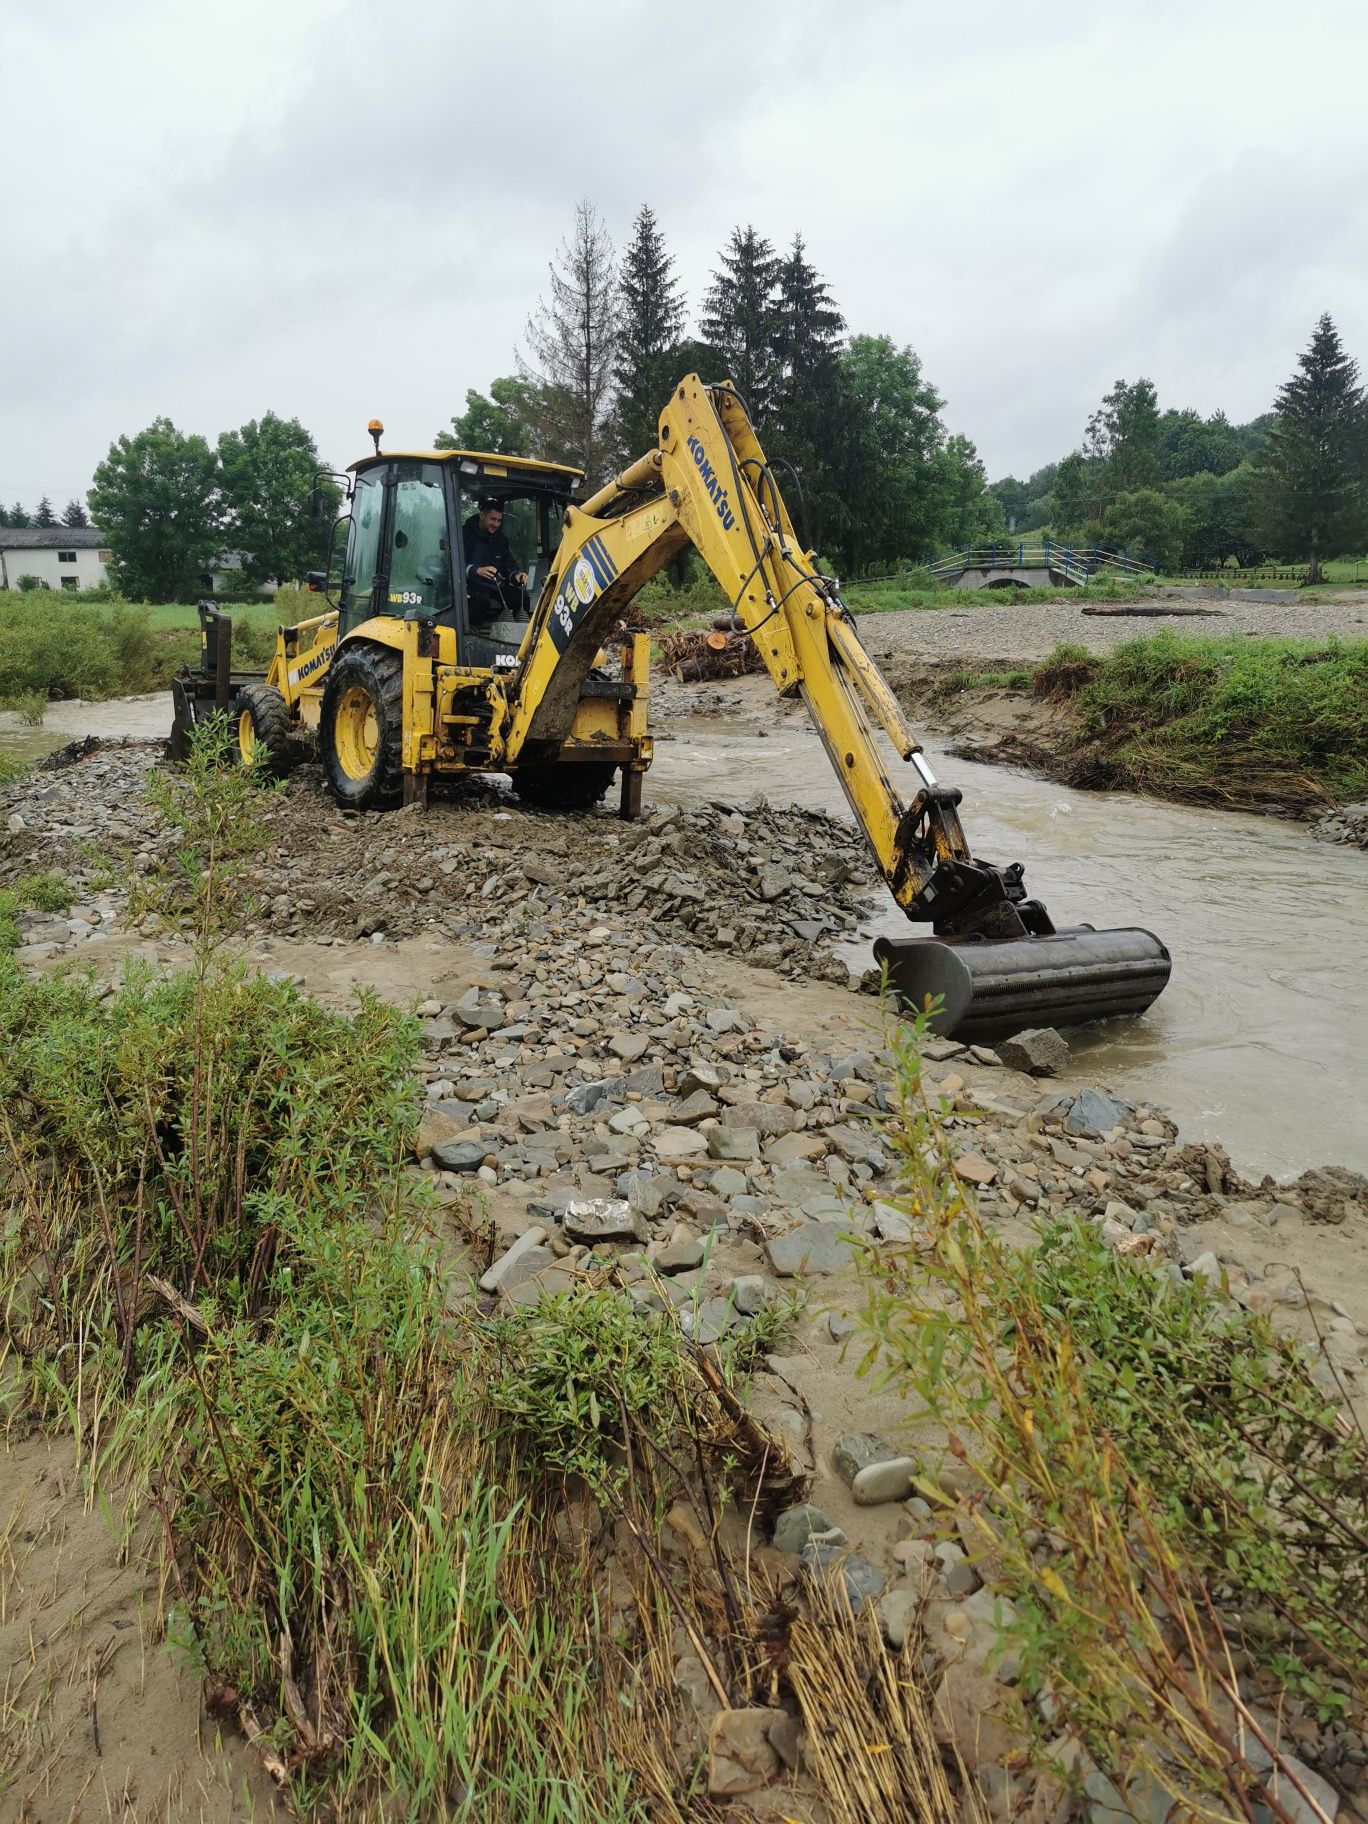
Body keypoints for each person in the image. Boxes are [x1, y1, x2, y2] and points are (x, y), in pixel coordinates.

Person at [462, 497, 528, 622]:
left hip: (493, 586)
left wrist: (516, 575)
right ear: (482, 515)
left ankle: (519, 635)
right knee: (481, 600)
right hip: (469, 586)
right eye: (492, 519)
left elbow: (508, 565)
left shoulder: (501, 540)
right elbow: (454, 565)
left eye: (499, 520)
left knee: (522, 596)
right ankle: (474, 634)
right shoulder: (463, 534)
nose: (496, 524)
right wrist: (476, 571)